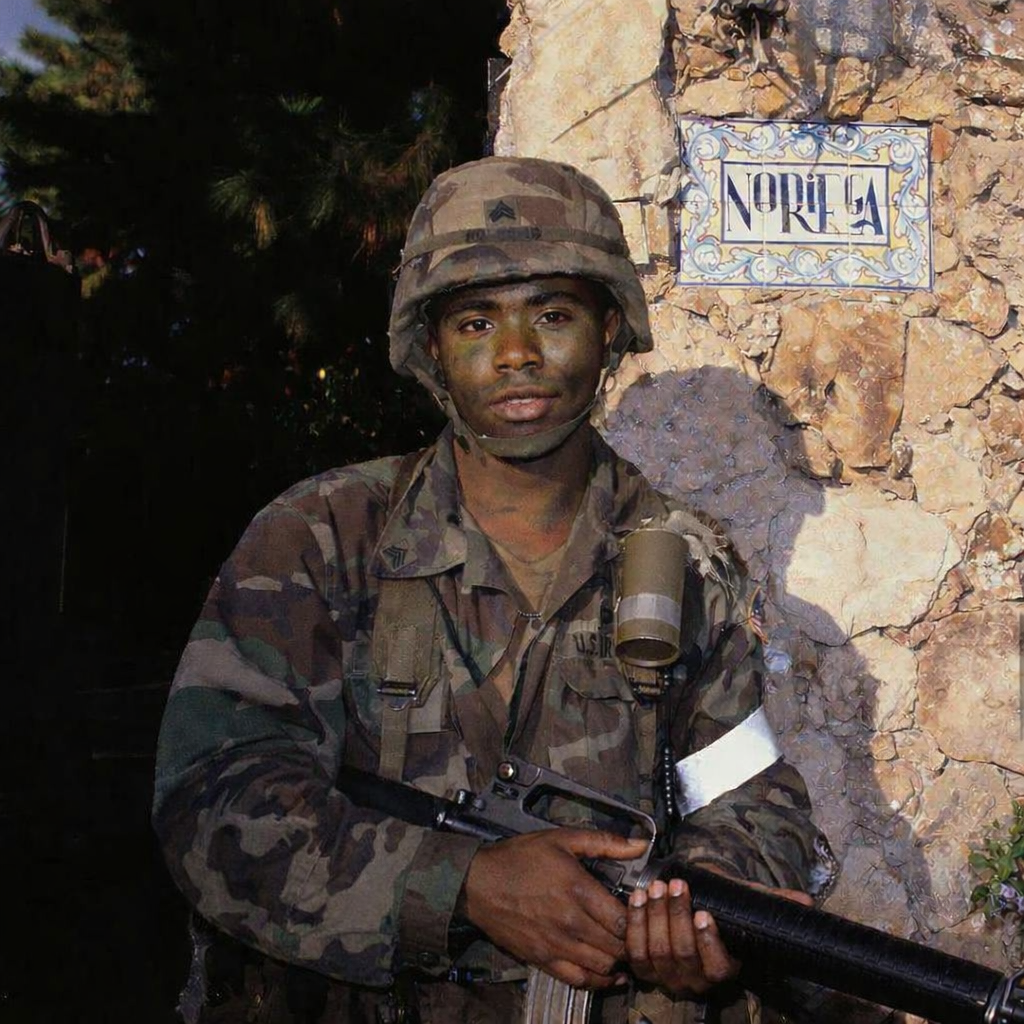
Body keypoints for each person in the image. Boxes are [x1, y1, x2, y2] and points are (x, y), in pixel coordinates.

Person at [153, 157, 829, 1024]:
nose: (516, 355)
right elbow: (214, 798)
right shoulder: (323, 537)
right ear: (431, 348)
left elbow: (751, 795)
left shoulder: (685, 560)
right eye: (476, 321)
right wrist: (460, 885)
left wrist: (708, 907)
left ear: (611, 331)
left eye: (553, 315)